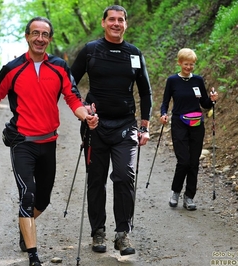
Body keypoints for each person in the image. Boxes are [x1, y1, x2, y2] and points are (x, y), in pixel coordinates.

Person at [0, 17, 98, 266]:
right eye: (35, 33)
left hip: (48, 142)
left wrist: (87, 117)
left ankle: (24, 227)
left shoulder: (59, 67)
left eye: (45, 34)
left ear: (49, 39)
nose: (40, 38)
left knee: (43, 199)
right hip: (22, 142)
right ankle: (33, 255)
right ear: (27, 36)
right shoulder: (12, 69)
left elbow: (73, 99)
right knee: (27, 195)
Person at [70, 5, 152, 256]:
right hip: (95, 126)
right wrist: (83, 107)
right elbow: (69, 82)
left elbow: (146, 91)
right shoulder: (91, 50)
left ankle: (122, 234)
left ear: (126, 24)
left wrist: (145, 126)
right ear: (104, 23)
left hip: (125, 126)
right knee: (96, 180)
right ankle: (98, 232)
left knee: (125, 177)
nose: (116, 23)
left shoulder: (134, 54)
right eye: (112, 19)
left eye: (121, 20)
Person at [160, 48, 218, 211]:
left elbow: (205, 104)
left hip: (197, 124)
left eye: (192, 64)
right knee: (183, 161)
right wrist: (163, 114)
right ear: (179, 63)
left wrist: (213, 100)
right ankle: (176, 192)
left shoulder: (198, 80)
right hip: (179, 122)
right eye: (186, 64)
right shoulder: (172, 81)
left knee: (193, 162)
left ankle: (189, 197)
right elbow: (165, 102)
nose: (189, 67)